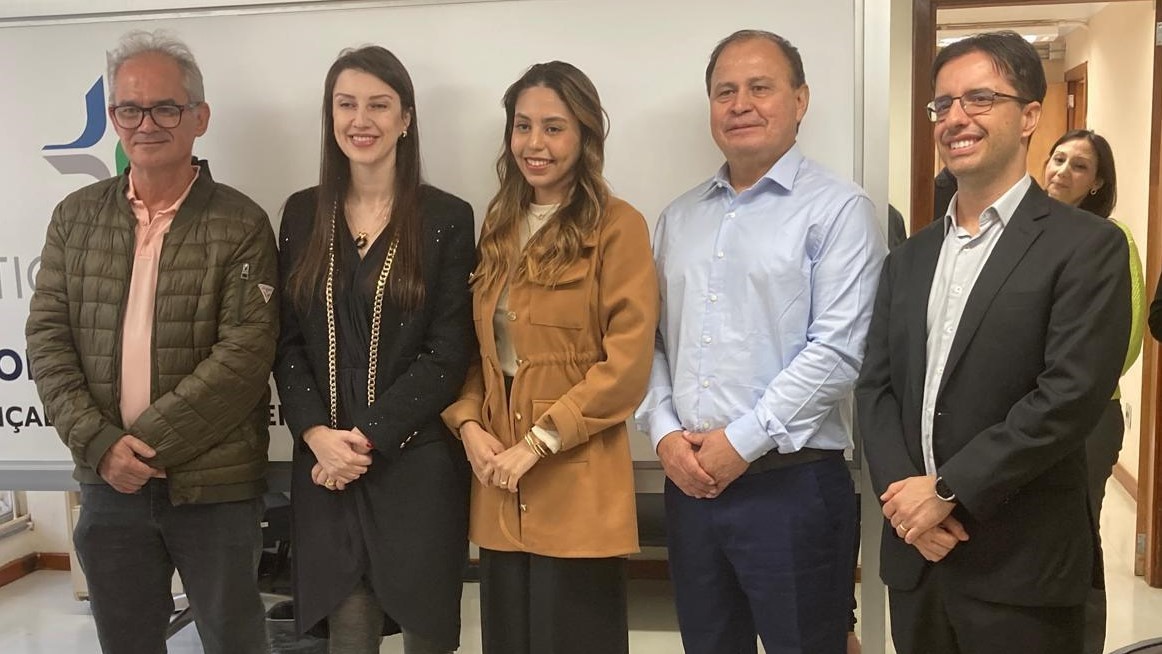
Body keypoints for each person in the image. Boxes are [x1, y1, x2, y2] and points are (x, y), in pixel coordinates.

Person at [855, 31, 1131, 654]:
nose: (956, 117)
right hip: (920, 560)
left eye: (980, 98)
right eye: (943, 104)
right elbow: (876, 388)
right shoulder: (909, 258)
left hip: (1021, 568)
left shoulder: (1087, 247)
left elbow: (1069, 396)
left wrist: (945, 492)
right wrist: (906, 505)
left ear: (1029, 116)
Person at [26, 29, 277, 654]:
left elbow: (245, 355)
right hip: (109, 487)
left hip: (213, 488)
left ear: (199, 117)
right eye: (130, 109)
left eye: (165, 108)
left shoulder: (241, 222)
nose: (147, 124)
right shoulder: (75, 218)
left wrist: (141, 445)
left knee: (235, 641)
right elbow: (48, 340)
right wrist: (103, 446)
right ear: (113, 119)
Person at [636, 29, 886, 653]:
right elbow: (651, 340)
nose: (740, 104)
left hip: (792, 488)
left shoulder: (840, 210)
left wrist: (741, 443)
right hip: (689, 485)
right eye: (725, 92)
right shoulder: (677, 218)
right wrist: (664, 433)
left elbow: (838, 351)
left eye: (759, 88)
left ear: (800, 100)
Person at [440, 61, 658, 654]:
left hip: (577, 487)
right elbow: (477, 353)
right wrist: (468, 426)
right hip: (498, 485)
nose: (534, 144)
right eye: (523, 126)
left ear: (585, 136)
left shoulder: (618, 227)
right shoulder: (498, 225)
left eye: (554, 128)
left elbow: (626, 366)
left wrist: (537, 443)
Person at [273, 46, 475, 654]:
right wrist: (317, 435)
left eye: (379, 105)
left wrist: (363, 440)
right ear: (330, 115)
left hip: (415, 467)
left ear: (406, 118)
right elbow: (286, 343)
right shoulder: (302, 213)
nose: (361, 120)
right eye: (346, 104)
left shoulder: (447, 217)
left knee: (427, 636)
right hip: (325, 470)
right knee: (348, 636)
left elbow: (448, 353)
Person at [1043, 128, 1144, 654]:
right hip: (1025, 416)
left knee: (1078, 533)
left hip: (1089, 417)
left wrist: (1068, 389)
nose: (1063, 171)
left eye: (1079, 166)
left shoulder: (1111, 238)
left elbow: (1126, 337)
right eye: (1058, 158)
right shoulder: (1025, 231)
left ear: (1097, 182)